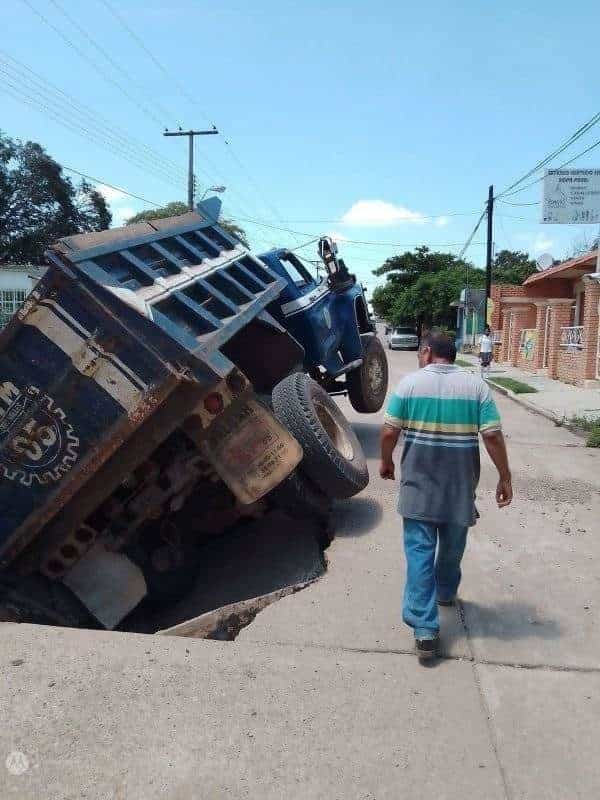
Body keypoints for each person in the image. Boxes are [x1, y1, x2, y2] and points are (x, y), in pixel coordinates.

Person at [379, 331, 512, 662]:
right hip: (459, 486)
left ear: (426, 352)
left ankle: (425, 631)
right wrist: (505, 476)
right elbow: (492, 435)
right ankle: (446, 593)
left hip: (419, 487)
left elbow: (389, 430)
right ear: (452, 355)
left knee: (420, 553)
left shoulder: (409, 384)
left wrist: (386, 460)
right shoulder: (476, 386)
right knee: (453, 548)